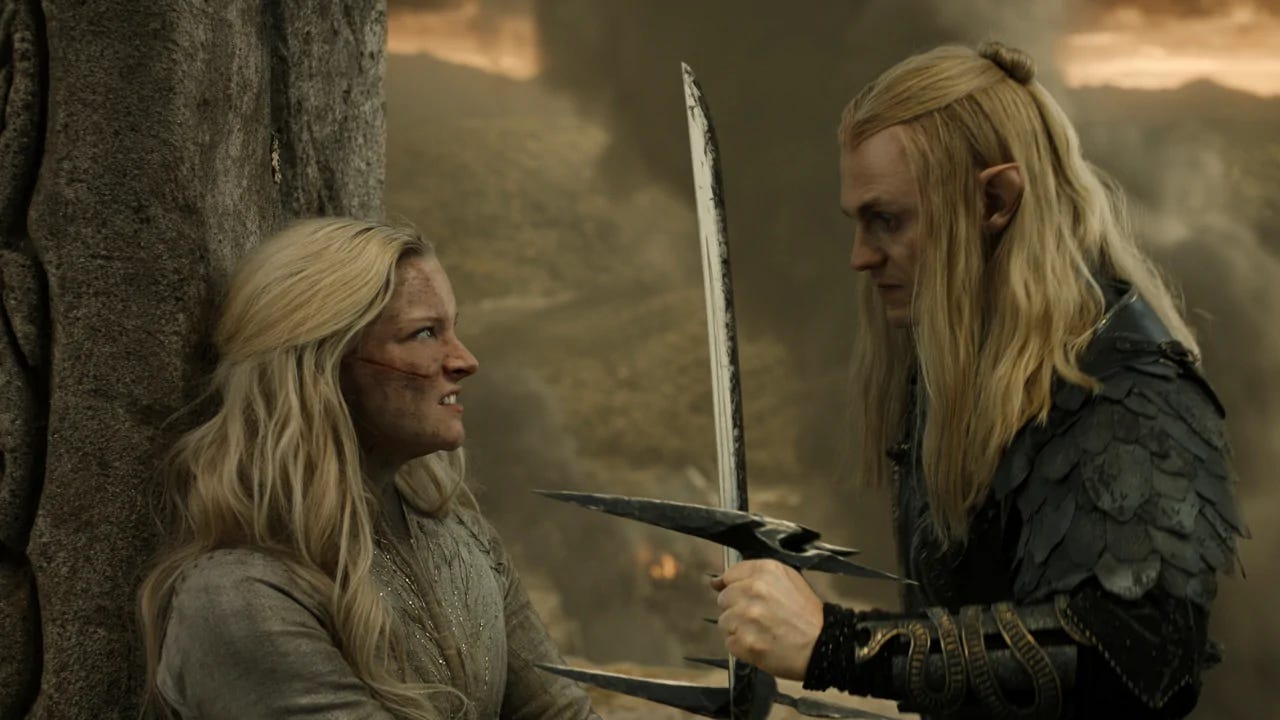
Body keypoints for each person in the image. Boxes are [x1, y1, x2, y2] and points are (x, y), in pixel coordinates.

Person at [708, 42, 1246, 719]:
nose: (861, 257)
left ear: (995, 199)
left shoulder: (1134, 398)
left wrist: (838, 644)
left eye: (887, 220)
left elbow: (1130, 652)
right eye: (859, 222)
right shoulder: (957, 371)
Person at [137, 218, 599, 719]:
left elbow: (561, 713)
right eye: (425, 333)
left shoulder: (468, 542)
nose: (465, 360)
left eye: (453, 329)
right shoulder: (237, 598)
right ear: (324, 363)